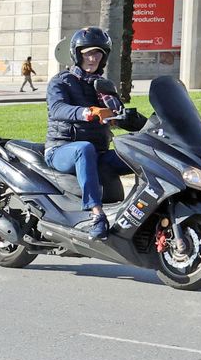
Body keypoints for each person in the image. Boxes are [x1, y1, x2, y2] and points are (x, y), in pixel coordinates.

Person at [44, 27, 144, 239]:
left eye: (98, 53)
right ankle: (96, 215)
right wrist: (87, 112)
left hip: (98, 153)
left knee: (140, 154)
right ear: (77, 54)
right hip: (61, 149)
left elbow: (117, 113)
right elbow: (57, 109)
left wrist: (147, 124)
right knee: (84, 148)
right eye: (87, 53)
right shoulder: (61, 81)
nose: (92, 58)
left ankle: (141, 212)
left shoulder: (104, 87)